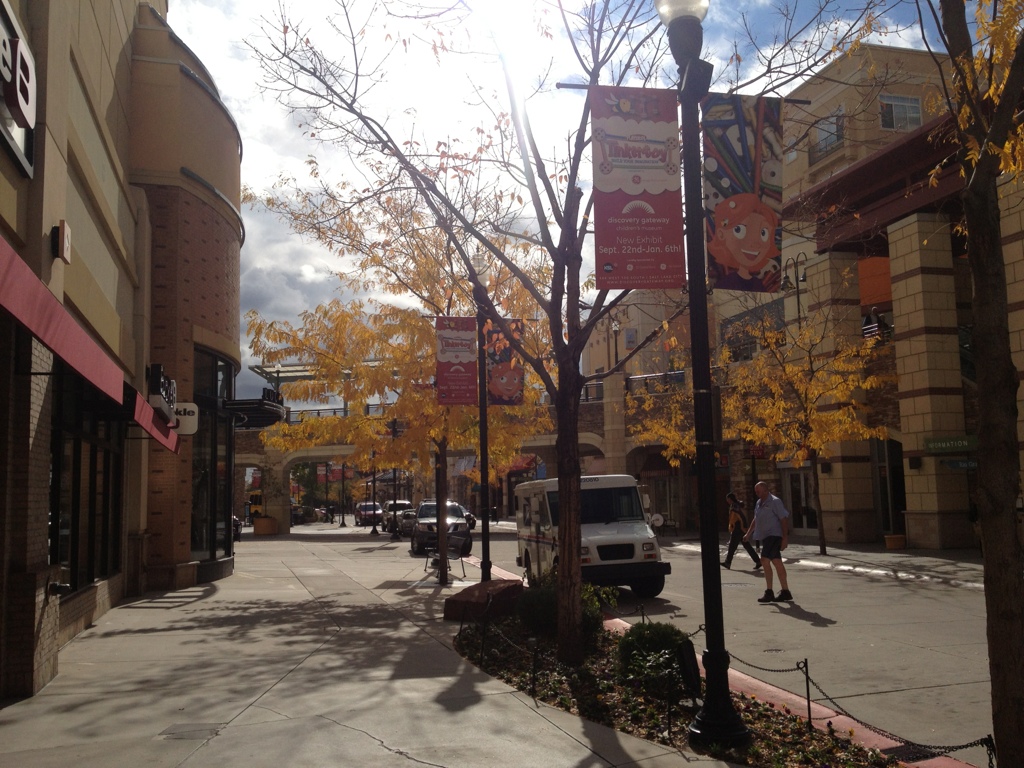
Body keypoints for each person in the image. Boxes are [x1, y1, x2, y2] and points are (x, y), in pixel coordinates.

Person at [744, 481, 793, 603]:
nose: (756, 493)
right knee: (776, 562)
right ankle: (785, 591)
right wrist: (748, 533)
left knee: (764, 560)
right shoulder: (759, 503)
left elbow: (783, 519)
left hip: (774, 535)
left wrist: (785, 538)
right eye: (755, 491)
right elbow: (756, 519)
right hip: (765, 537)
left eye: (758, 491)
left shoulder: (775, 501)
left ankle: (769, 592)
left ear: (765, 490)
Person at [721, 492, 761, 570]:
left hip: (738, 528)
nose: (727, 501)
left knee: (732, 546)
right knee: (747, 545)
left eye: (728, 499)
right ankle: (758, 561)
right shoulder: (736, 505)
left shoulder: (734, 506)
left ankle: (727, 562)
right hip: (740, 528)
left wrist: (734, 527)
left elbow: (739, 518)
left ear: (730, 499)